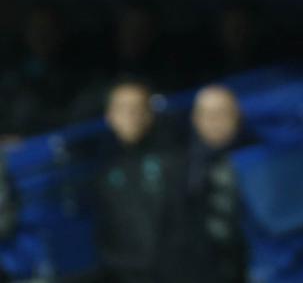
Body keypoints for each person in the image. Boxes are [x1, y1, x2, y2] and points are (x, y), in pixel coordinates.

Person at [94, 80, 186, 283]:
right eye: (123, 109)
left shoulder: (174, 161)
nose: (130, 116)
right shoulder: (103, 170)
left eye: (137, 109)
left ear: (149, 114)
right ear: (109, 116)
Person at [183, 85, 250, 283]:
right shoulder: (180, 170)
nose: (214, 121)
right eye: (207, 114)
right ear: (195, 119)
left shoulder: (260, 160)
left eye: (222, 113)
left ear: (238, 115)